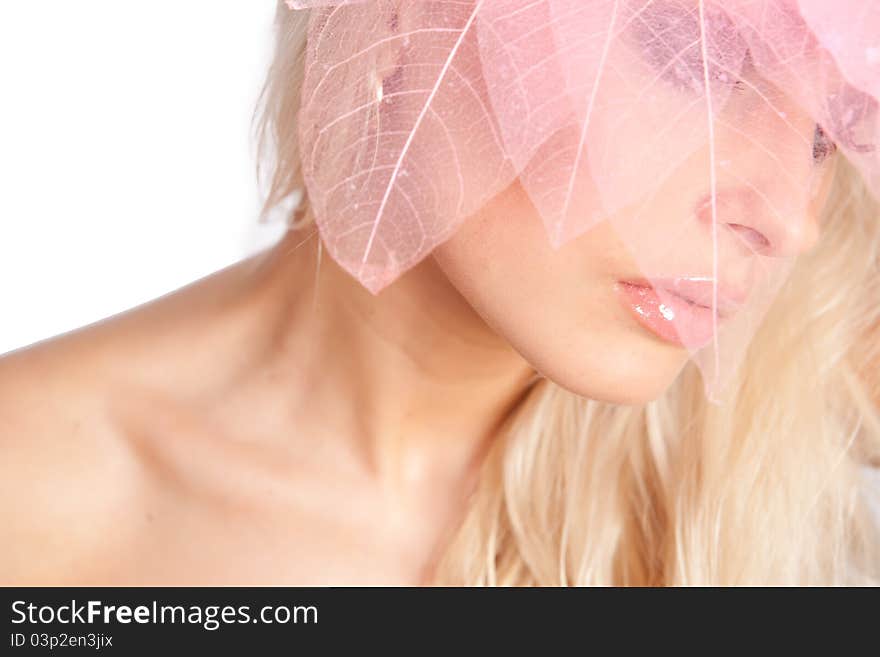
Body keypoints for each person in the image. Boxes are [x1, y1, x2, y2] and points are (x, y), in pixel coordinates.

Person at [2, 1, 878, 586]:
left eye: (826, 133)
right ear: (396, 21)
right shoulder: (30, 501)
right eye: (697, 60)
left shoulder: (796, 475)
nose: (791, 221)